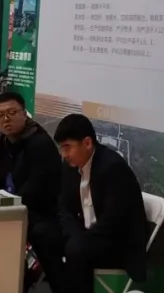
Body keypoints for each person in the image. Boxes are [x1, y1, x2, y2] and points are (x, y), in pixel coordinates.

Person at [54, 114, 148, 293]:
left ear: (87, 143)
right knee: (46, 235)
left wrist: (80, 239)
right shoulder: (70, 166)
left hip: (116, 242)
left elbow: (114, 223)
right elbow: (64, 207)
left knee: (76, 250)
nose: (63, 155)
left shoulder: (112, 168)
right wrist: (75, 235)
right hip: (86, 234)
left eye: (67, 147)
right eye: (61, 148)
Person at [0, 92, 64, 293]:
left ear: (24, 114)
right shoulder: (0, 140)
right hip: (13, 208)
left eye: (12, 113)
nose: (6, 119)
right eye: (1, 115)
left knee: (36, 234)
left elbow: (36, 188)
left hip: (43, 213)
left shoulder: (40, 143)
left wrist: (7, 209)